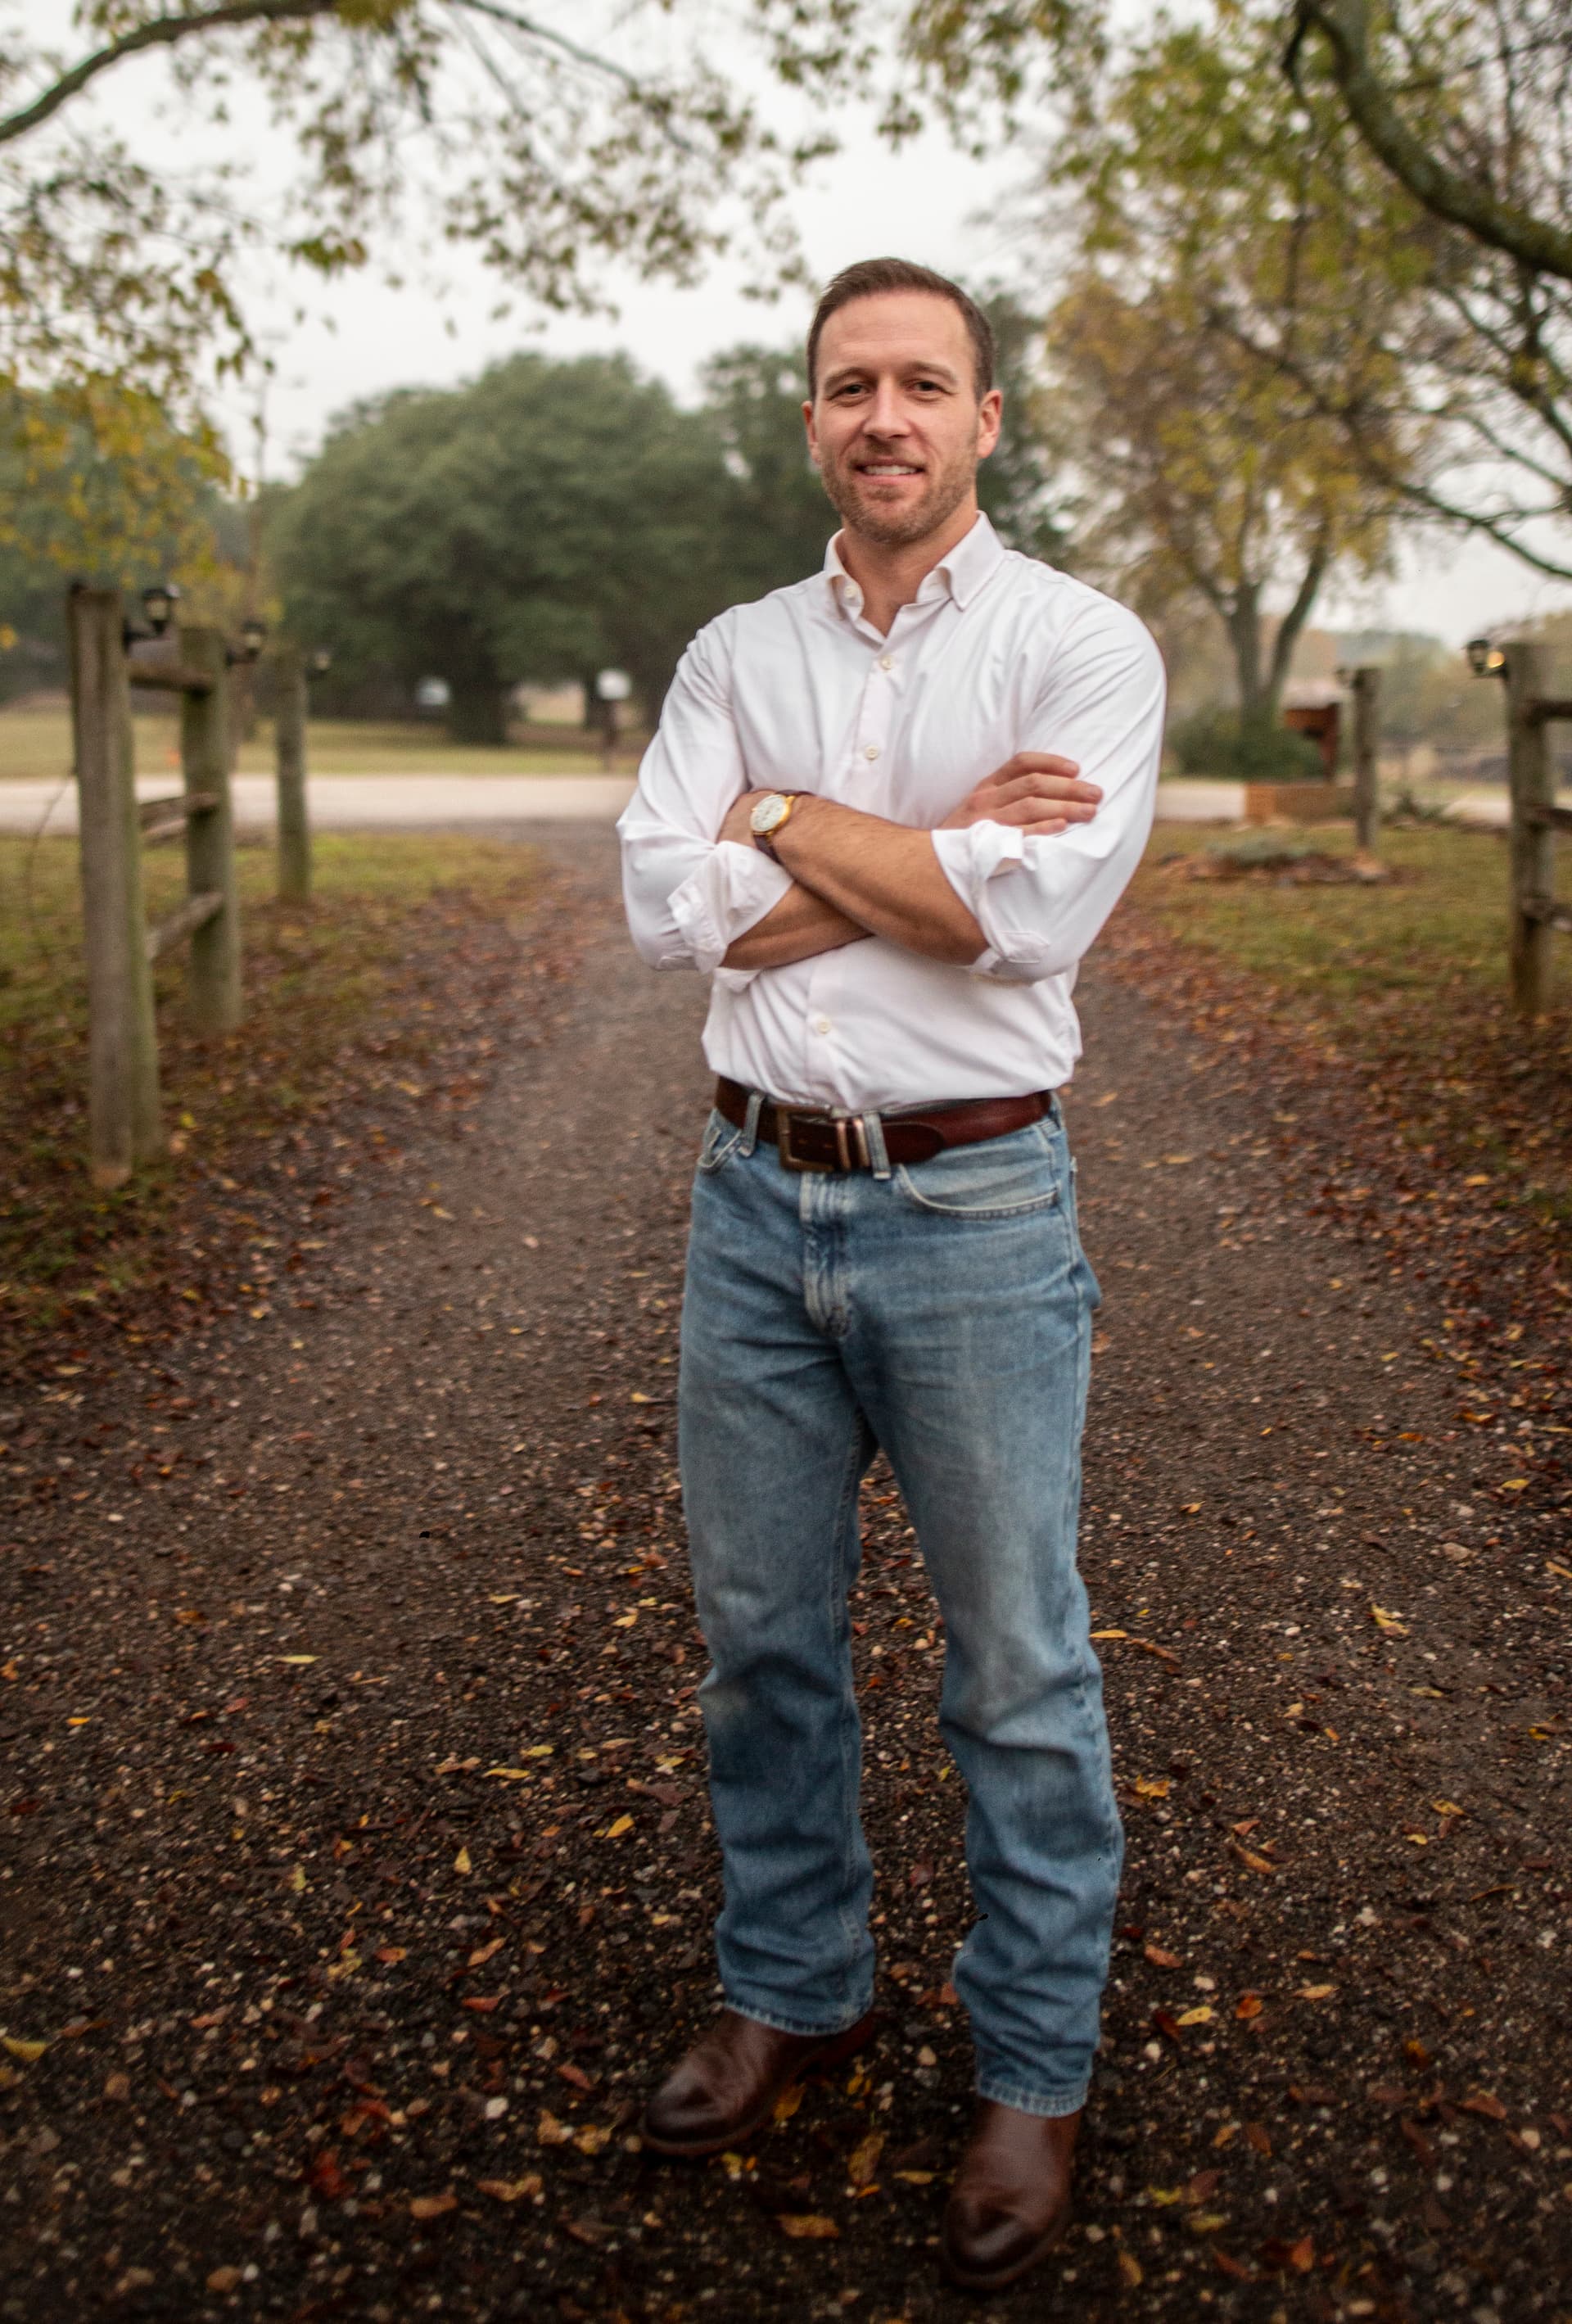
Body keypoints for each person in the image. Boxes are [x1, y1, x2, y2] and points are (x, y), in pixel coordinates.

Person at [617, 255, 1164, 2293]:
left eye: (925, 382)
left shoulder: (1079, 643)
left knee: (1018, 1668)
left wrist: (793, 836)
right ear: (814, 417)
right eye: (852, 384)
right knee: (764, 1641)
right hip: (749, 1206)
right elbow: (666, 906)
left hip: (973, 1212)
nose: (887, 417)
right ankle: (799, 1983)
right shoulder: (733, 645)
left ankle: (1034, 2064)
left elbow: (1022, 929)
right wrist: (910, 843)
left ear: (987, 419)